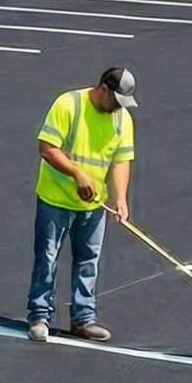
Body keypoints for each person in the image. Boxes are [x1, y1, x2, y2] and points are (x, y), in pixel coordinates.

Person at [26, 65, 137, 344]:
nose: (118, 108)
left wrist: (121, 197)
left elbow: (121, 159)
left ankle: (83, 320)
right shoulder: (68, 105)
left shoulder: (122, 119)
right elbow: (47, 147)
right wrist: (78, 174)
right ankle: (40, 317)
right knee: (47, 258)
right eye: (116, 101)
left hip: (93, 206)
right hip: (55, 199)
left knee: (88, 261)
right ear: (103, 89)